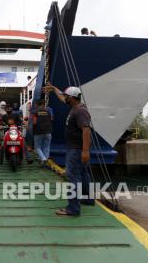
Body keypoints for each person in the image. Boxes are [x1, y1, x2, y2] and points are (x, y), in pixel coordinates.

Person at [44, 83, 94, 216]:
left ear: (72, 98)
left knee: (73, 177)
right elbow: (62, 97)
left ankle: (73, 208)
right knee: (83, 173)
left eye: (67, 96)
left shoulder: (80, 111)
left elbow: (86, 131)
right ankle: (88, 199)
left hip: (76, 150)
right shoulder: (75, 107)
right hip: (77, 148)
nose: (64, 98)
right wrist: (55, 88)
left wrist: (85, 151)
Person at [32, 99, 53, 166]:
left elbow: (34, 122)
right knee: (46, 147)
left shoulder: (36, 112)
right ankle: (44, 162)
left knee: (37, 147)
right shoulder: (48, 112)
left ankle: (43, 158)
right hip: (48, 131)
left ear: (37, 104)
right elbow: (52, 120)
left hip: (38, 131)